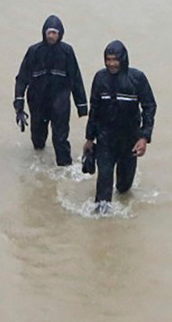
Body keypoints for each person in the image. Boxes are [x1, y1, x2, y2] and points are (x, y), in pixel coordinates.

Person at [83, 40, 157, 211]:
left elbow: (150, 106)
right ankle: (101, 224)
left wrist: (144, 137)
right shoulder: (100, 78)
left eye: (115, 59)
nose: (111, 63)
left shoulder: (137, 79)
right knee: (103, 189)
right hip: (105, 139)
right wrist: (89, 138)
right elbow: (94, 108)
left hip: (129, 140)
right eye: (108, 59)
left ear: (123, 59)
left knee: (124, 188)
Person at [13, 16, 89, 167]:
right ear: (44, 33)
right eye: (49, 32)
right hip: (38, 102)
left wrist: (82, 106)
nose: (51, 36)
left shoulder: (67, 52)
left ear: (60, 34)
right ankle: (39, 165)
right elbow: (21, 78)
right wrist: (19, 105)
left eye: (54, 32)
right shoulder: (34, 51)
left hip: (60, 103)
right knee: (38, 139)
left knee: (60, 140)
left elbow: (76, 79)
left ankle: (65, 168)